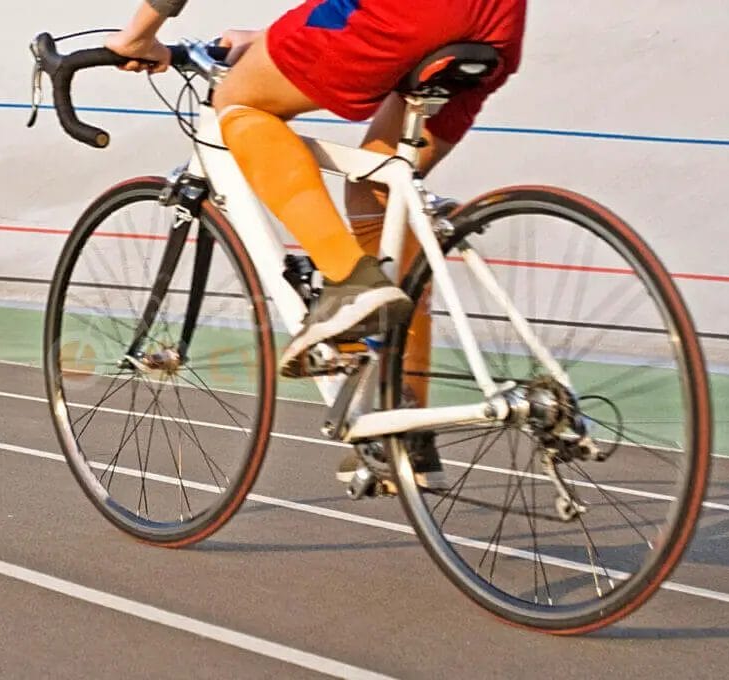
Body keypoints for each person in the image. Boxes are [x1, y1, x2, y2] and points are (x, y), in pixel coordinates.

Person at [107, 0, 526, 489]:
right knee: (376, 189)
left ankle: (348, 279)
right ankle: (404, 423)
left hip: (408, 13)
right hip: (497, 26)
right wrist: (264, 40)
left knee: (239, 103)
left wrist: (139, 34)